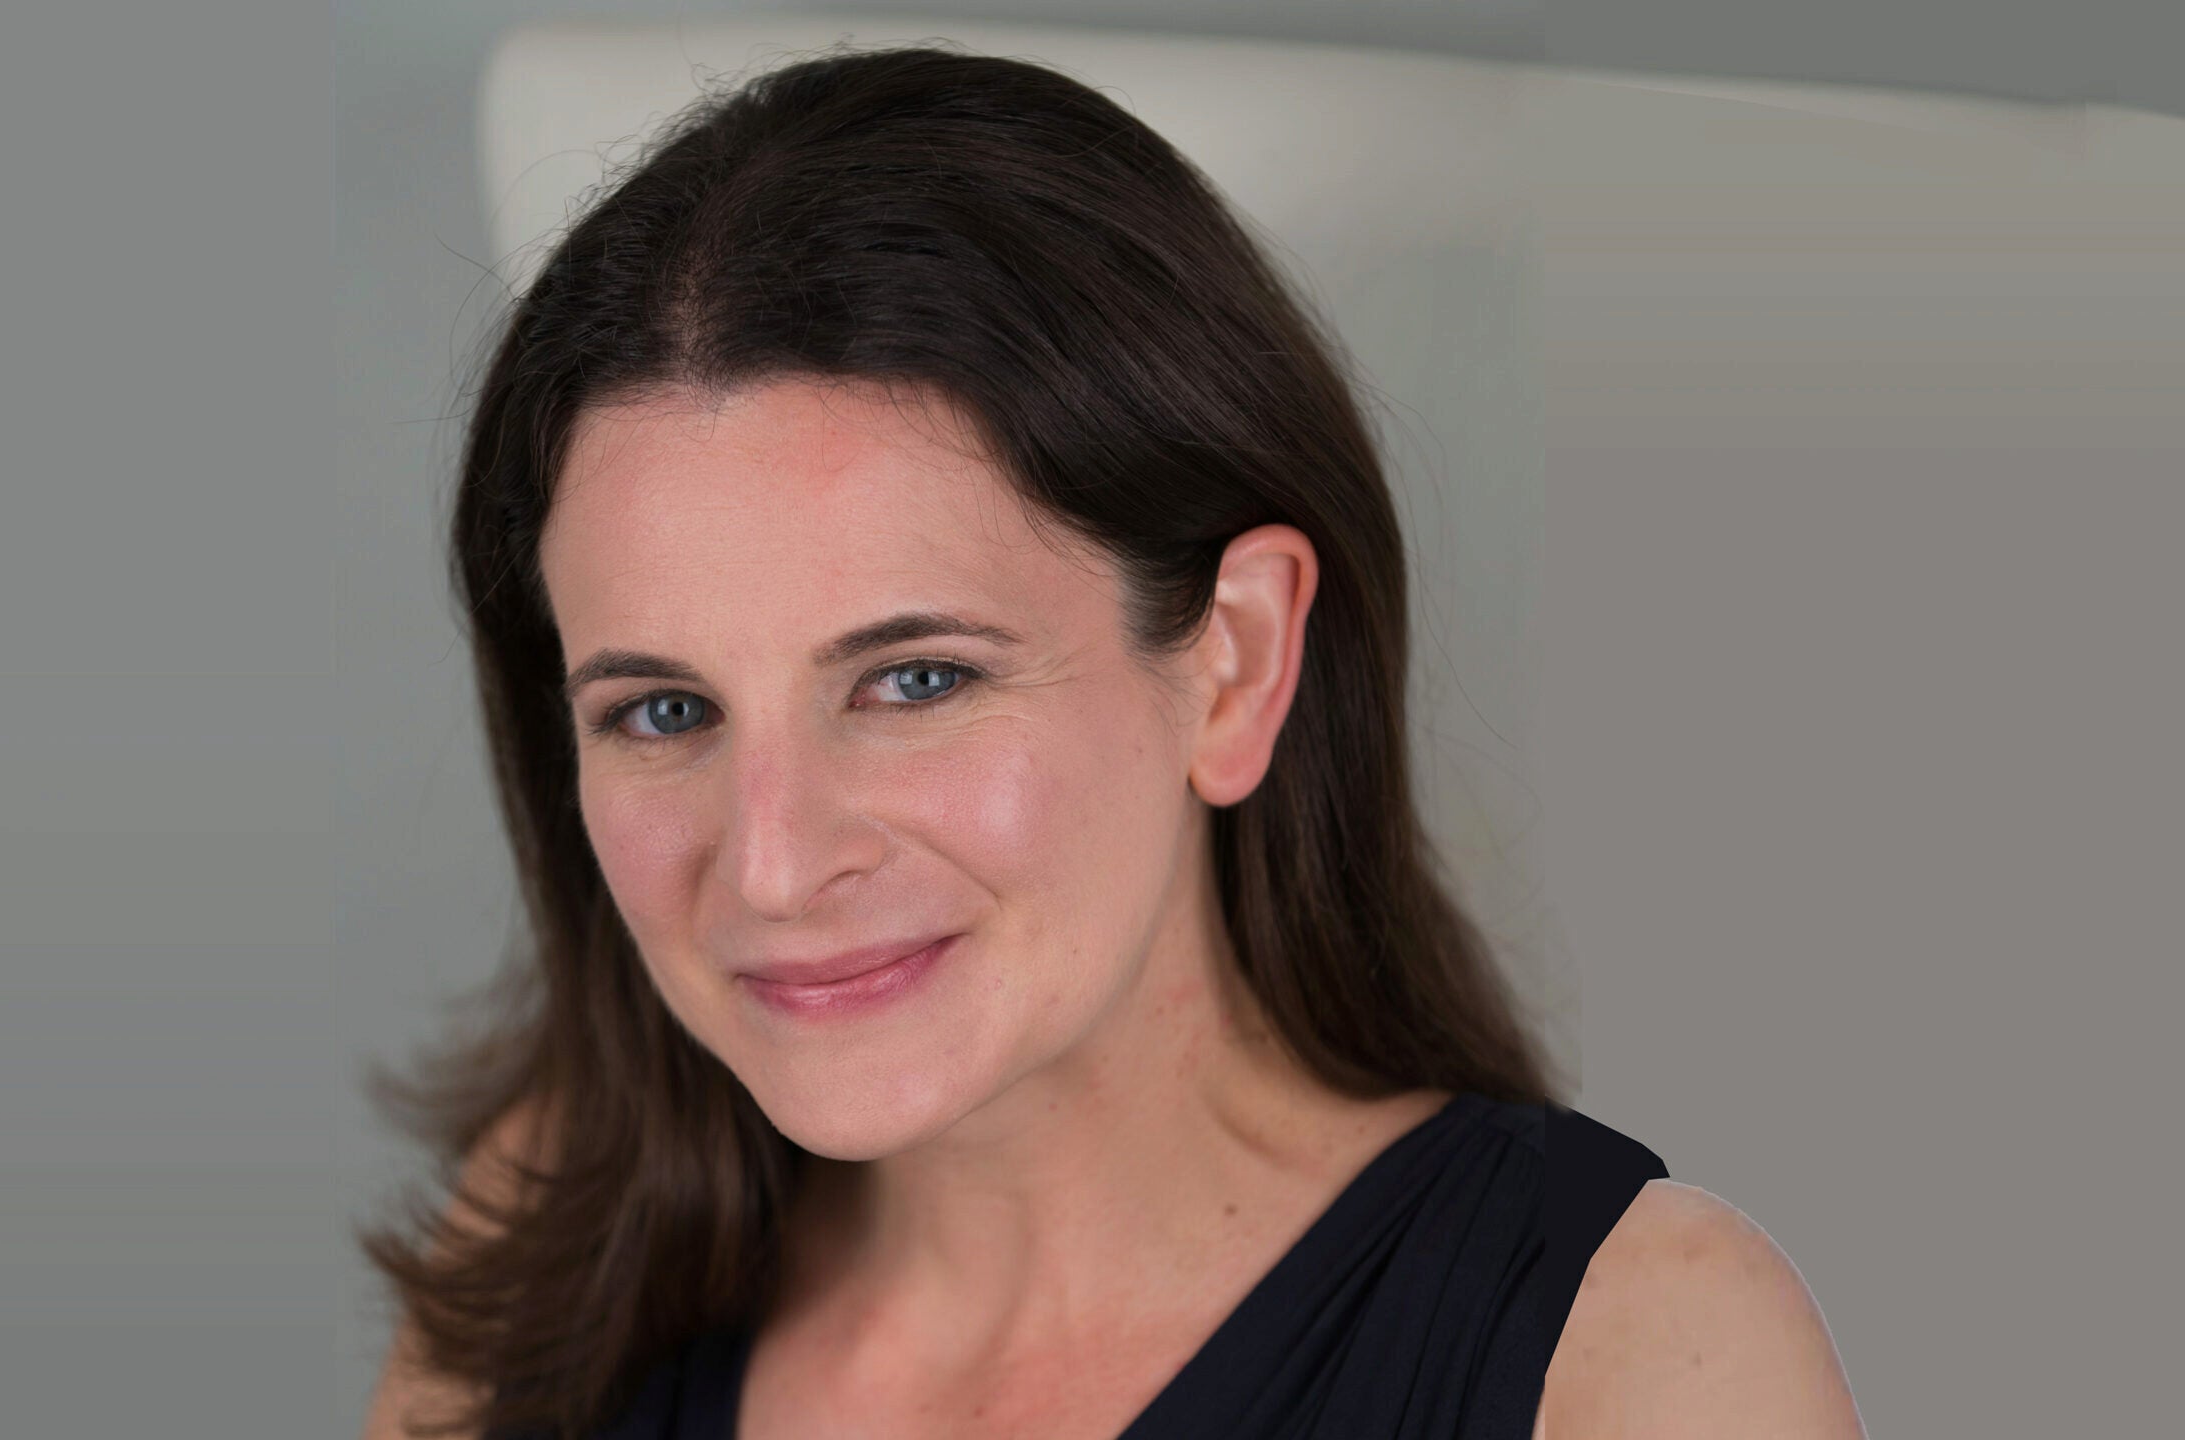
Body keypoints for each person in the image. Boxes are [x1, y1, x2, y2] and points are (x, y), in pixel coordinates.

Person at [357, 41, 1864, 1440]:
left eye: (915, 682)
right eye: (664, 712)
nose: (770, 863)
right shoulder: (551, 1259)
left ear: (1237, 663)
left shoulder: (1631, 1352)